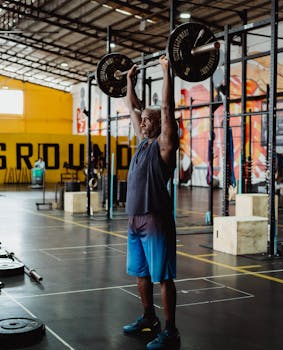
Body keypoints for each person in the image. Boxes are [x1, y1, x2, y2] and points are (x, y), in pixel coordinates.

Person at [122, 55, 180, 350]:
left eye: (148, 120)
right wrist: (130, 81)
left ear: (160, 125)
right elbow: (133, 107)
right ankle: (148, 318)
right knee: (141, 274)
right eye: (142, 120)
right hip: (134, 219)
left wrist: (167, 72)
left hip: (156, 219)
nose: (142, 123)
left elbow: (168, 108)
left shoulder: (164, 144)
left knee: (163, 277)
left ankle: (170, 332)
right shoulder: (143, 141)